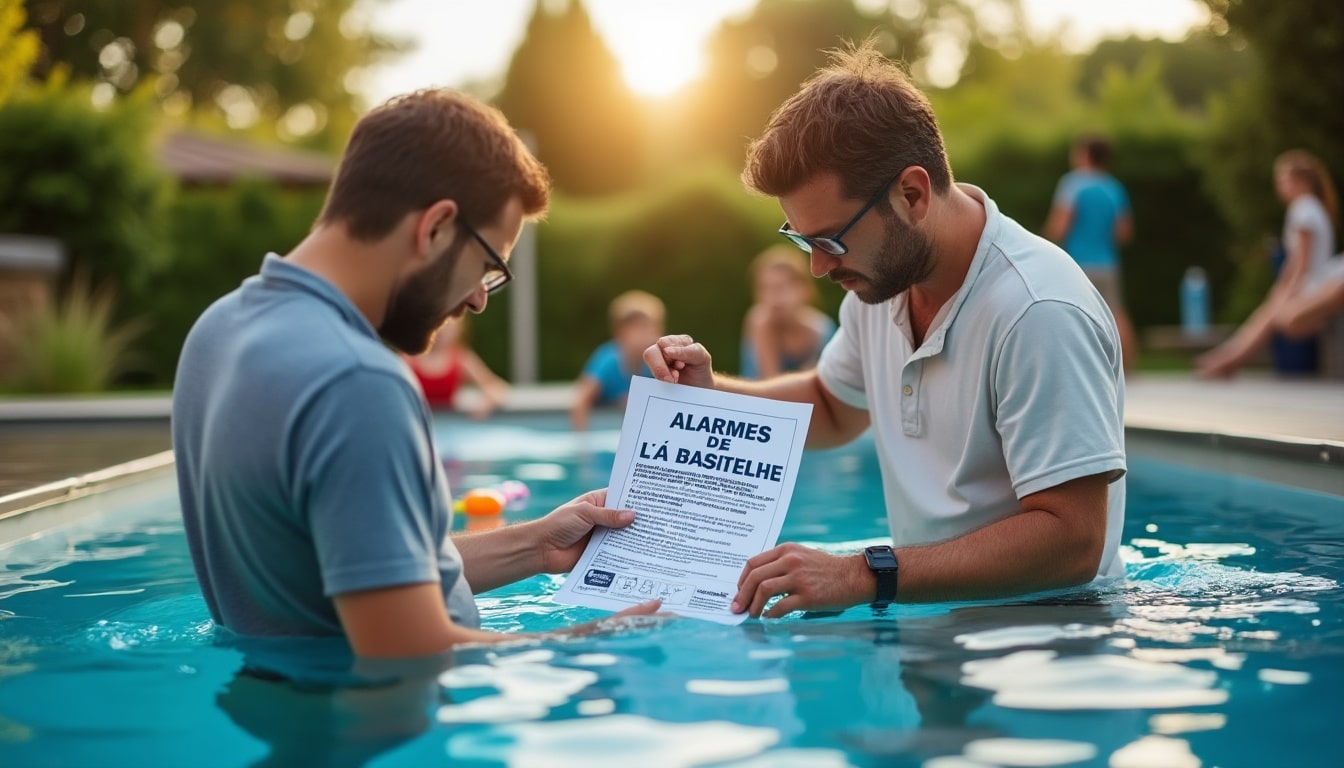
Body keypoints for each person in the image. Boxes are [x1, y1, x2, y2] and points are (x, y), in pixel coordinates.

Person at [643, 43, 1126, 619]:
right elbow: (831, 405)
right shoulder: (880, 282)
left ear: (913, 195)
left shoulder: (1037, 310)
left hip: (1047, 649)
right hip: (939, 621)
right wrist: (713, 396)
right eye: (803, 241)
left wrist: (863, 573)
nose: (819, 268)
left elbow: (1073, 540)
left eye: (830, 240)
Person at [172, 89, 659, 658]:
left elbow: (351, 579)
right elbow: (406, 655)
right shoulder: (357, 381)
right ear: (435, 227)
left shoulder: (218, 330)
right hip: (391, 739)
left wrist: (535, 546)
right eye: (487, 265)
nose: (479, 300)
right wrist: (596, 640)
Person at [1197, 149, 1339, 378]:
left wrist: (1286, 290)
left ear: (1300, 181)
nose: (1279, 186)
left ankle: (1228, 360)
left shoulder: (1303, 210)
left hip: (1312, 284)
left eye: (1282, 179)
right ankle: (1227, 358)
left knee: (1267, 315)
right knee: (1264, 315)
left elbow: (1301, 262)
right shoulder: (1314, 208)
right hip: (1314, 280)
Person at [1044, 134, 1137, 371]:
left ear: (1085, 155)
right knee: (1117, 312)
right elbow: (1124, 233)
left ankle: (1071, 367)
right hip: (1107, 262)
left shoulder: (1073, 183)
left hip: (1077, 263)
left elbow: (1060, 226)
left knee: (1071, 313)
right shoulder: (1114, 188)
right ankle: (1127, 369)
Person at [569, 289, 665, 430]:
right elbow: (581, 402)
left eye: (654, 327)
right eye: (643, 328)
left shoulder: (657, 362)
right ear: (621, 332)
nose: (650, 334)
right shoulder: (608, 360)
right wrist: (583, 445)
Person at [740, 245, 837, 379]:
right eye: (764, 289)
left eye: (780, 288)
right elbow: (770, 383)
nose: (772, 298)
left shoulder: (822, 329)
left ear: (804, 289)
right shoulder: (760, 321)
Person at [404, 316, 509, 418]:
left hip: (449, 426)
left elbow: (496, 387)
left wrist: (486, 402)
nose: (441, 332)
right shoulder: (409, 359)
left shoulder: (461, 359)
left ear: (458, 328)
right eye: (437, 325)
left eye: (447, 326)